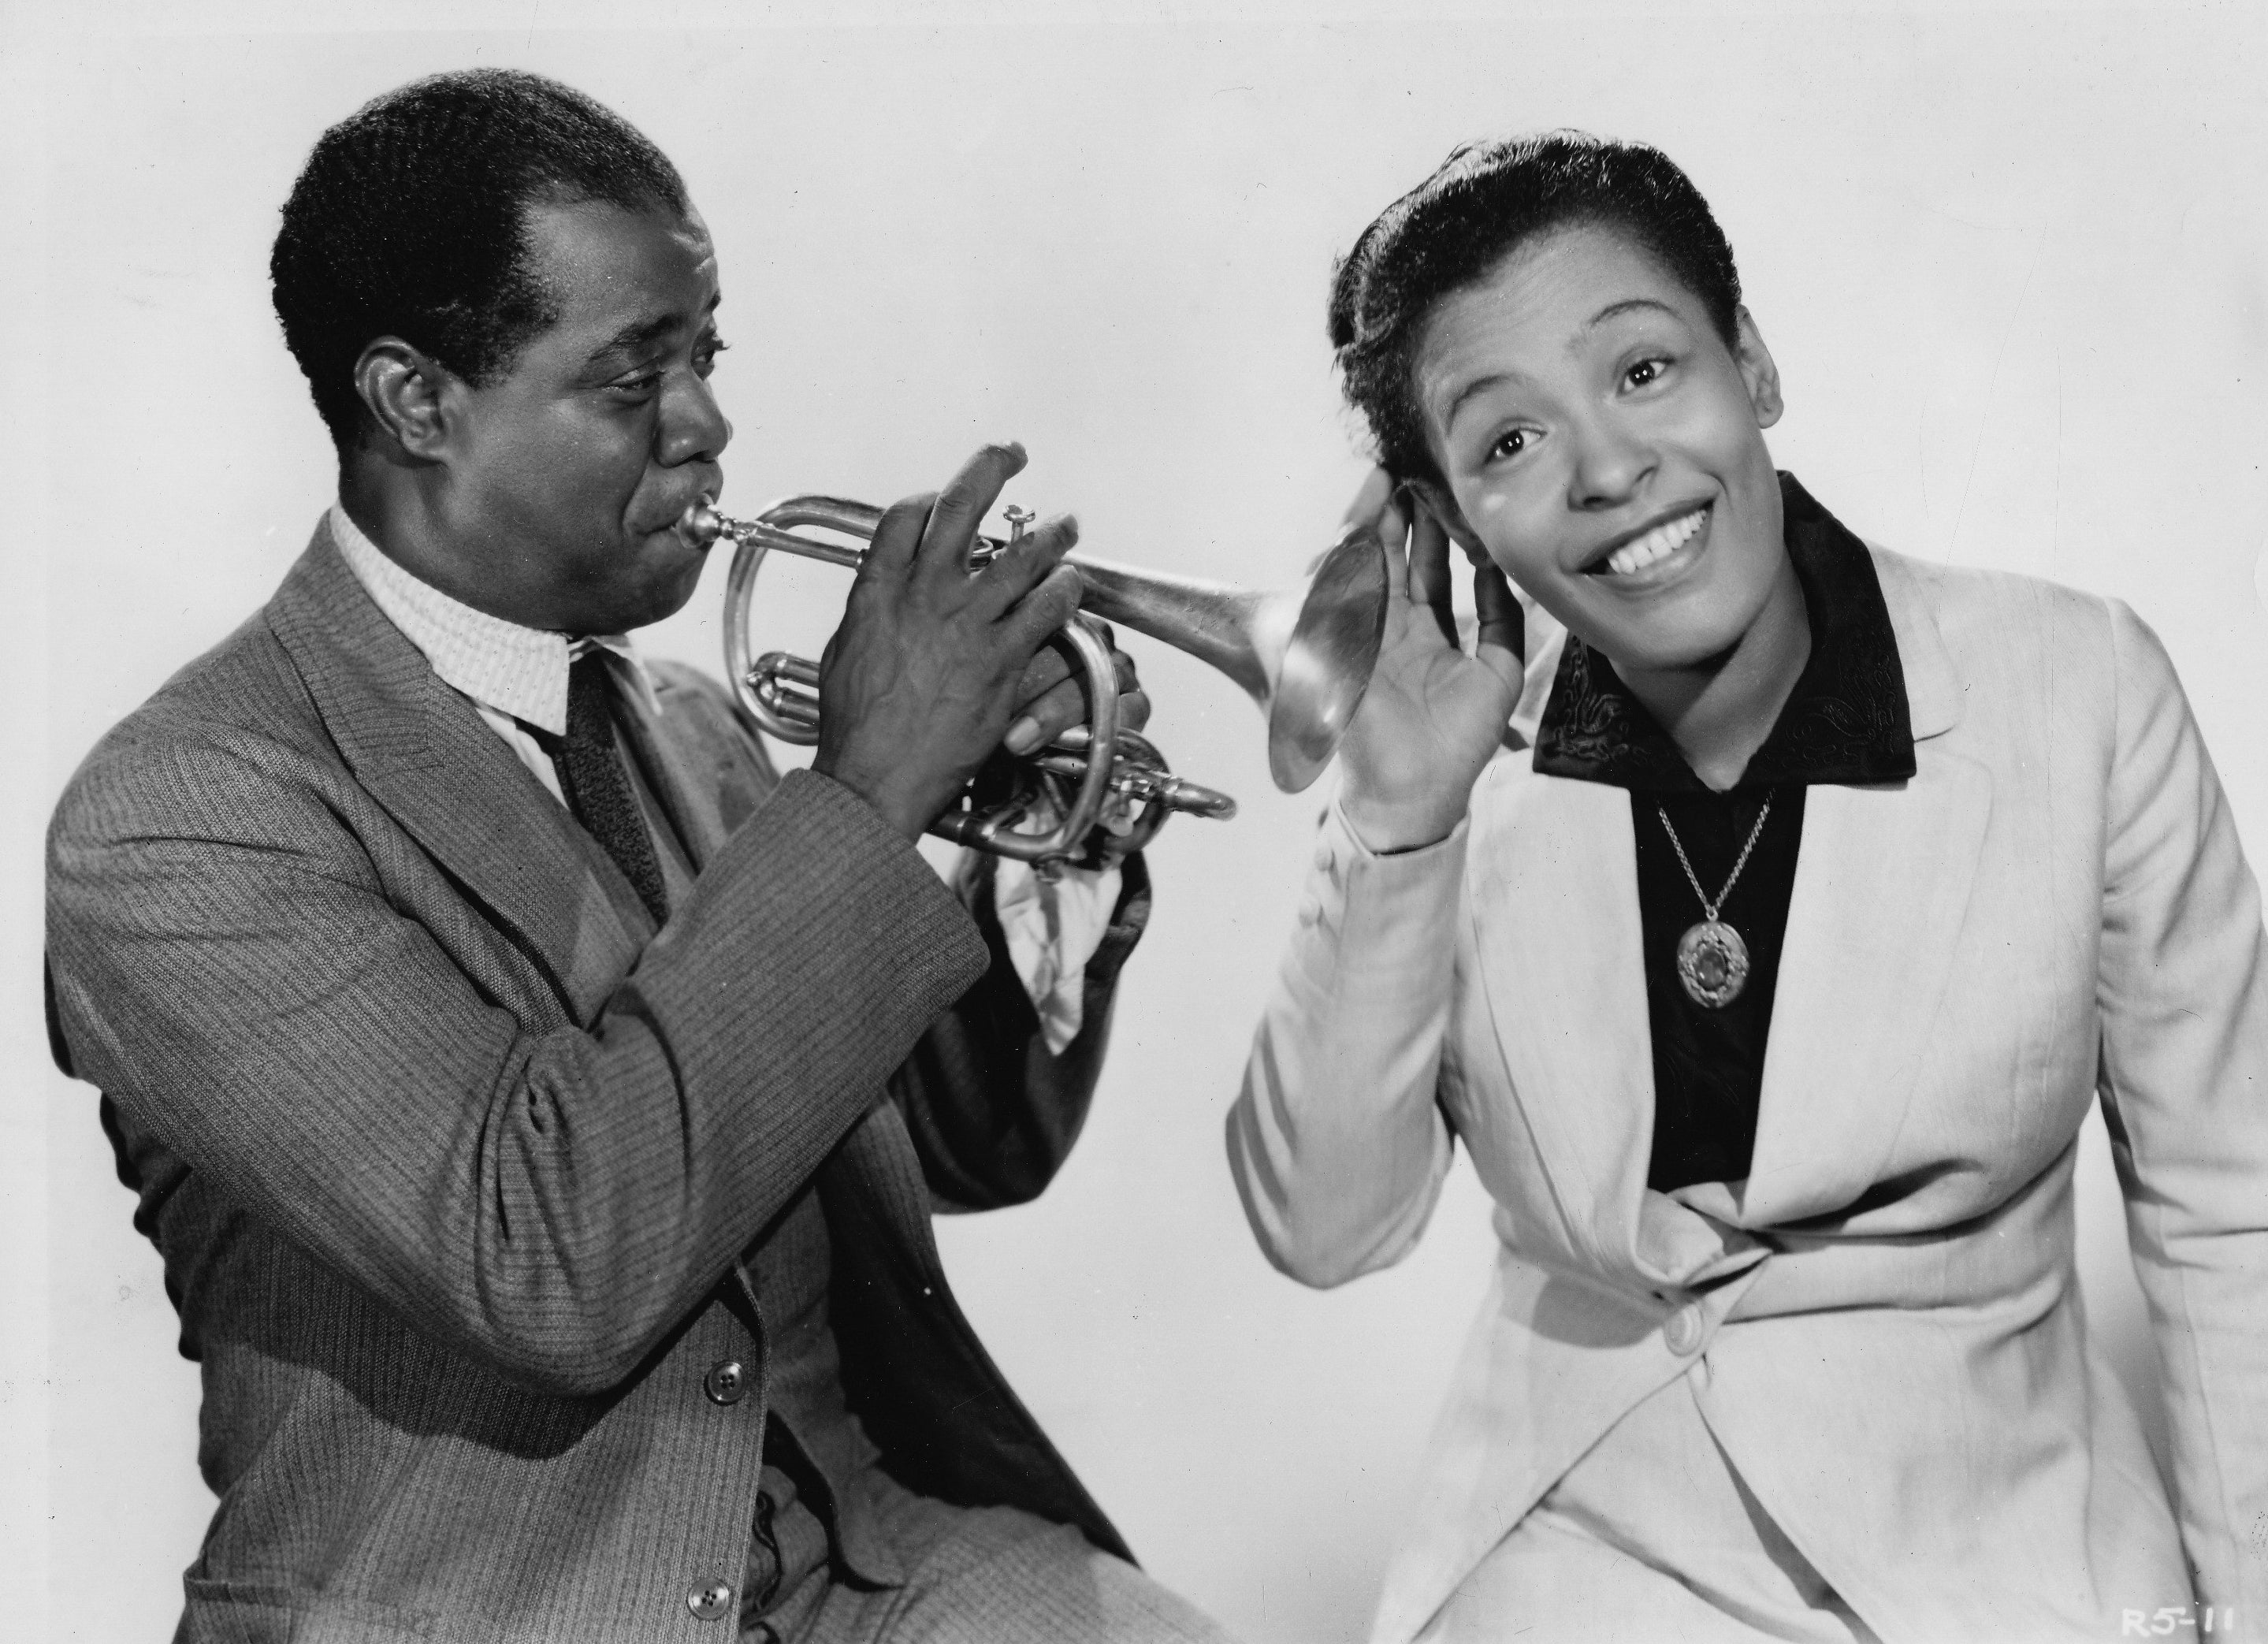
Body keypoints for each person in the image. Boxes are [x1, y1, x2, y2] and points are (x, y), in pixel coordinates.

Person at [46, 69, 1233, 1644]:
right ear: (416, 401)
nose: (709, 426)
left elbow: (956, 1141)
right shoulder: (184, 811)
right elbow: (550, 1255)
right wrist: (870, 790)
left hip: (857, 1572)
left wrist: (1040, 836)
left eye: (706, 355)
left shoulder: (685, 726)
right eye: (630, 381)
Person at [1227, 131, 2268, 1643]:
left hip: (1990, 1553)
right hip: (1571, 1546)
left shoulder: (2076, 683)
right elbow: (1327, 1229)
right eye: (1506, 440)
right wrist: (1395, 823)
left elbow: (2228, 1209)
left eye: (1641, 371)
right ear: (1448, 521)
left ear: (1753, 366)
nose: (1604, 467)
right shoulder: (1451, 775)